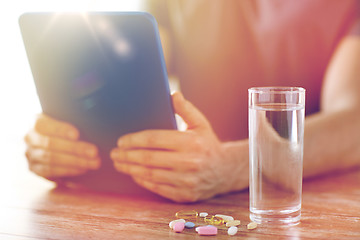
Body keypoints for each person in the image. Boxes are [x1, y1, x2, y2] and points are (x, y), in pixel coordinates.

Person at [24, 0, 360, 202]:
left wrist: (236, 166)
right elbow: (125, 73)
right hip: (190, 196)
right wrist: (66, 135)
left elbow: (353, 121)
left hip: (301, 206)